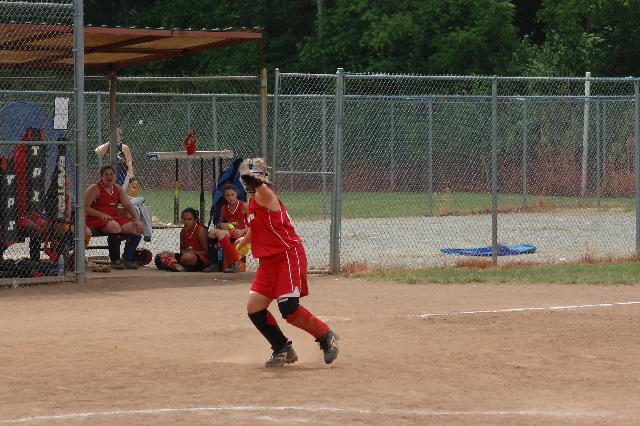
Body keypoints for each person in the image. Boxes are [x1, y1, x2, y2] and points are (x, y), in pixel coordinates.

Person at [234, 158, 339, 367]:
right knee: (254, 308)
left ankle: (326, 336)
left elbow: (261, 188)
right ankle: (282, 348)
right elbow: (256, 225)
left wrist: (255, 179)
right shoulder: (253, 201)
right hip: (268, 262)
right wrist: (244, 241)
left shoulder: (266, 195)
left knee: (289, 310)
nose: (248, 181)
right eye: (246, 177)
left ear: (262, 178)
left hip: (287, 256)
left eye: (253, 176)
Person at [85, 165, 143, 269]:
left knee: (137, 227)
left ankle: (127, 258)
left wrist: (137, 219)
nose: (109, 176)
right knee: (114, 226)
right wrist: (101, 214)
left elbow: (128, 205)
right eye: (106, 174)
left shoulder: (117, 188)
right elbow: (85, 208)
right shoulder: (94, 188)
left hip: (113, 218)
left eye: (111, 174)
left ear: (115, 176)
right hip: (96, 219)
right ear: (101, 176)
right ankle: (115, 260)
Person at [205, 183, 248, 273]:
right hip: (229, 231)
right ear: (224, 197)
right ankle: (214, 263)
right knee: (211, 233)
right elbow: (219, 224)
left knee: (220, 233)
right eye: (227, 195)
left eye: (232, 194)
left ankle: (235, 263)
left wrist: (242, 231)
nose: (230, 197)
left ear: (236, 194)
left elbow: (254, 225)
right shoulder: (224, 207)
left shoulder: (244, 206)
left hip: (241, 232)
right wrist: (222, 224)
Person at [155, 208, 210, 272]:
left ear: (195, 220)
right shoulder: (183, 231)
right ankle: (177, 265)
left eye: (189, 219)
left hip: (199, 258)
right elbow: (182, 249)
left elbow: (207, 252)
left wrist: (193, 252)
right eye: (184, 219)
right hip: (185, 256)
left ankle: (173, 264)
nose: (187, 222)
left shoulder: (200, 230)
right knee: (161, 255)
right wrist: (185, 252)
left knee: (188, 257)